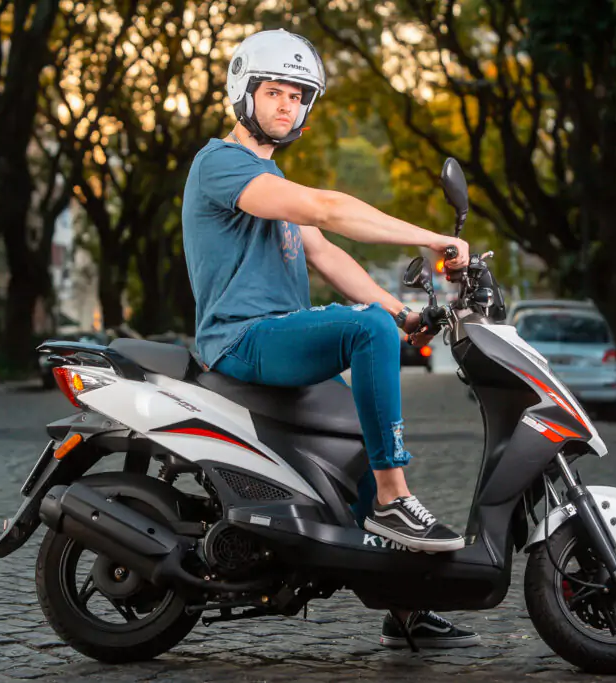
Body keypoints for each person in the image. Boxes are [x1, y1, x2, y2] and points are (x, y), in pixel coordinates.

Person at [181, 28, 479, 649]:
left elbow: (326, 253)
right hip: (241, 338)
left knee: (361, 435)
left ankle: (407, 607)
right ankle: (394, 499)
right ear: (243, 92)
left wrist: (401, 312)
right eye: (274, 92)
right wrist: (429, 237)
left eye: (297, 97)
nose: (287, 106)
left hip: (277, 337)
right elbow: (327, 210)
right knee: (363, 329)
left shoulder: (271, 178)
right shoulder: (221, 164)